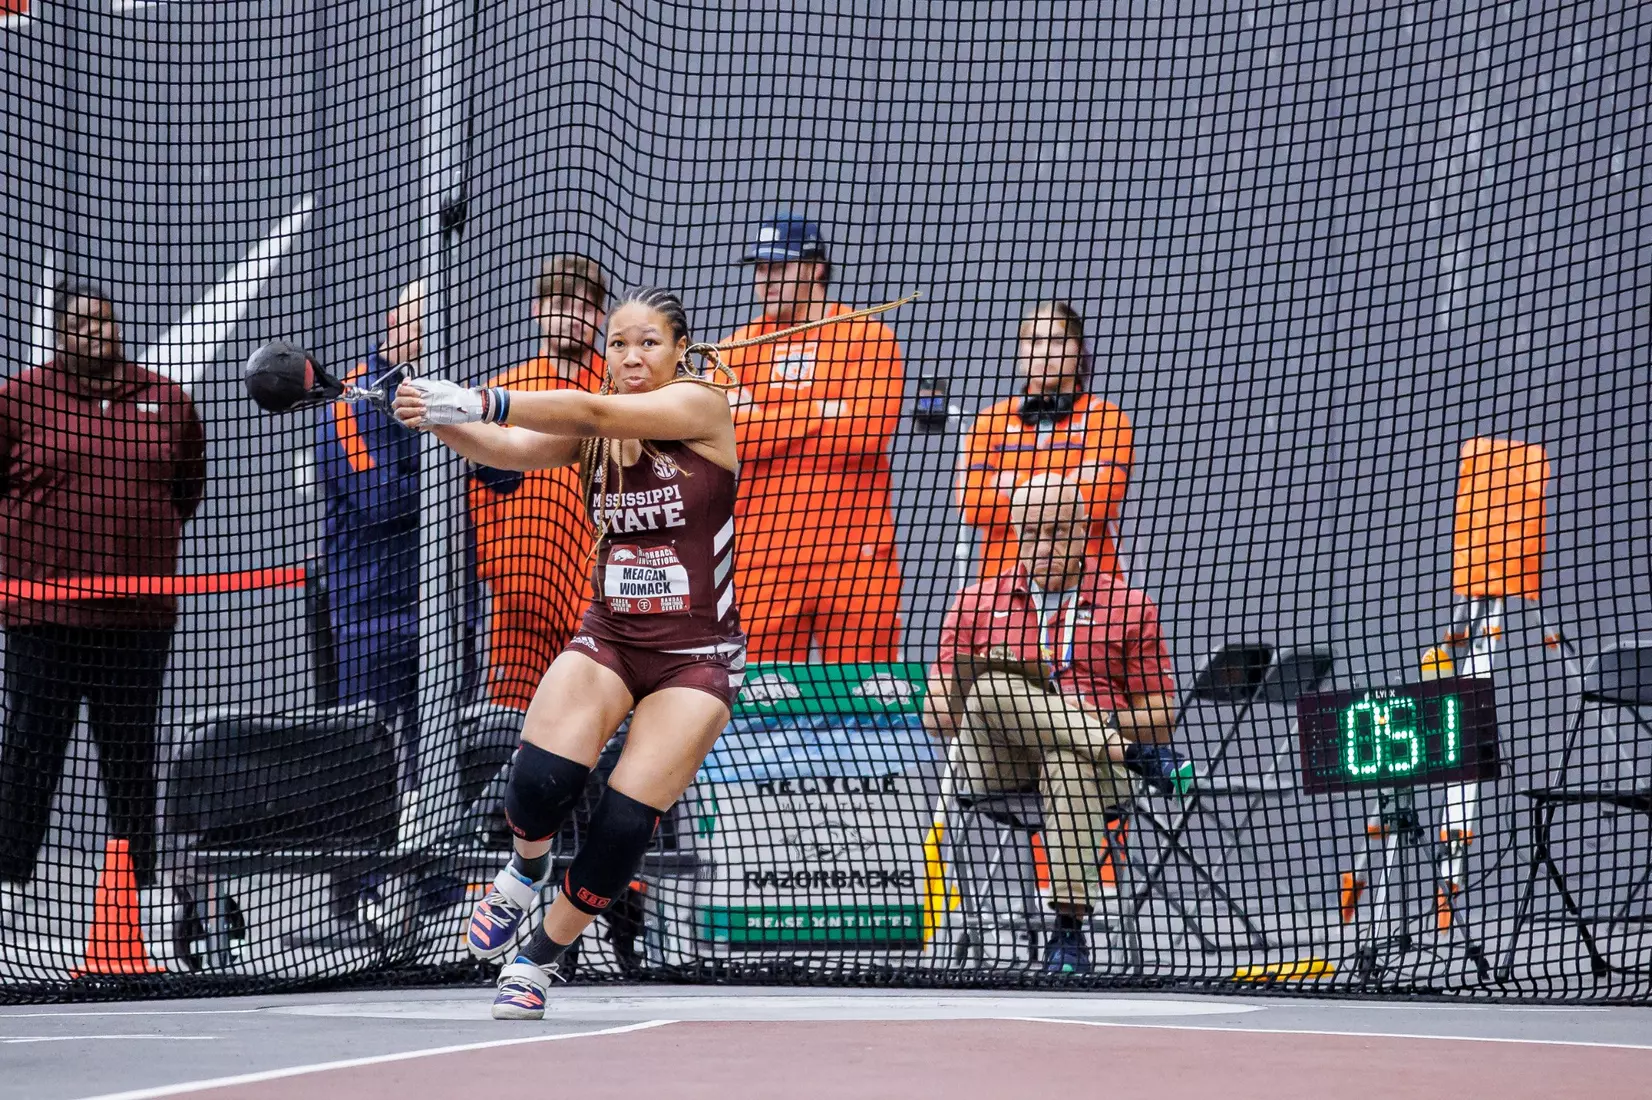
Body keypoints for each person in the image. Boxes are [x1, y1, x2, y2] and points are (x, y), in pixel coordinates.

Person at [394, 288, 748, 1020]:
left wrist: (481, 397)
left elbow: (588, 411)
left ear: (680, 348)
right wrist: (442, 418)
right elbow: (512, 450)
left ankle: (539, 959)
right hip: (611, 638)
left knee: (623, 823)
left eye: (647, 342)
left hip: (696, 656)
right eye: (618, 344)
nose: (630, 357)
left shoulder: (700, 405)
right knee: (537, 784)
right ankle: (526, 868)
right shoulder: (597, 426)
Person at [0, 282, 206, 923]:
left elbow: (185, 490)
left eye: (108, 322)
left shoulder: (167, 402)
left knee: (132, 760)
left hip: (137, 620)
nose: (100, 333)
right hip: (46, 618)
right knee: (30, 756)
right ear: (60, 333)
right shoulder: (17, 402)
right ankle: (7, 886)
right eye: (86, 324)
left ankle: (136, 893)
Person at [920, 475, 1177, 973]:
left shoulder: (1129, 605)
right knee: (992, 688)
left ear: (1083, 532)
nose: (1045, 546)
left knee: (1067, 757)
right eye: (1033, 533)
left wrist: (1083, 721)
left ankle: (1069, 930)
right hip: (998, 761)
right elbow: (934, 715)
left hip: (1090, 770)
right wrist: (989, 700)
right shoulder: (974, 602)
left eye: (1058, 532)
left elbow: (1163, 716)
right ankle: (1132, 756)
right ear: (1015, 533)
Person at [721, 213, 904, 662]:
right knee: (760, 709)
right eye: (760, 269)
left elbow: (868, 431)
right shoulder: (734, 349)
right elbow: (734, 437)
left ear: (816, 268)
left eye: (778, 268)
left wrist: (771, 417)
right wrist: (823, 409)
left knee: (865, 708)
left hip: (855, 555)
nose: (765, 280)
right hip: (766, 552)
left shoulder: (870, 336)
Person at [469, 254, 607, 710]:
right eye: (557, 304)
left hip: (601, 614)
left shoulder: (621, 397)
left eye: (582, 307)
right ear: (537, 310)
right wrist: (506, 577)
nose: (569, 318)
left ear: (599, 316)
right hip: (520, 618)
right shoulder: (505, 395)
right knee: (512, 738)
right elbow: (479, 501)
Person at [317, 281, 422, 785]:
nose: (427, 330)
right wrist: (460, 452)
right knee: (367, 780)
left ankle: (434, 868)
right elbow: (382, 501)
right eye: (419, 317)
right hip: (372, 622)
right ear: (393, 322)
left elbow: (504, 475)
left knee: (441, 780)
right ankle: (369, 870)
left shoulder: (447, 392)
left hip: (445, 620)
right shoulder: (350, 400)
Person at [957, 302, 1133, 582]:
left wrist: (1010, 485)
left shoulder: (1107, 418)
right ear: (1021, 352)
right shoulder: (989, 422)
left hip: (1092, 589)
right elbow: (974, 504)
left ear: (1079, 351)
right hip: (1003, 589)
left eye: (1057, 340)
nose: (1045, 352)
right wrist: (1070, 486)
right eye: (1034, 341)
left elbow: (1098, 504)